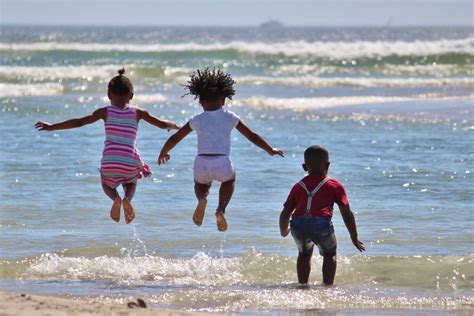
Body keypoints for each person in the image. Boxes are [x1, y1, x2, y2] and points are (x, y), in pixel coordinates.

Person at [35, 68, 179, 224]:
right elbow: (163, 124)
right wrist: (176, 126)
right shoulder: (139, 112)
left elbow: (80, 122)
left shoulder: (104, 112)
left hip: (110, 161)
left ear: (109, 95)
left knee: (105, 183)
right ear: (131, 96)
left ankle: (115, 198)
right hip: (130, 160)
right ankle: (127, 199)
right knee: (131, 181)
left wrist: (52, 126)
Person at [158, 68, 284, 232]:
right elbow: (252, 136)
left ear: (201, 102)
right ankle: (221, 210)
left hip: (201, 162)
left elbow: (175, 137)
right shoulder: (229, 117)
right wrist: (270, 149)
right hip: (222, 162)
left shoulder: (196, 119)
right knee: (229, 180)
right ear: (223, 100)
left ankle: (202, 199)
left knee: (200, 184)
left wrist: (164, 152)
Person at [279, 145, 365, 286]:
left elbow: (285, 214)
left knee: (304, 254)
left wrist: (284, 232)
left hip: (298, 224)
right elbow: (347, 214)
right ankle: (327, 286)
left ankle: (302, 286)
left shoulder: (298, 186)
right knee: (329, 254)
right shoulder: (334, 185)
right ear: (328, 165)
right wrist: (354, 236)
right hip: (321, 224)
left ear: (304, 167)